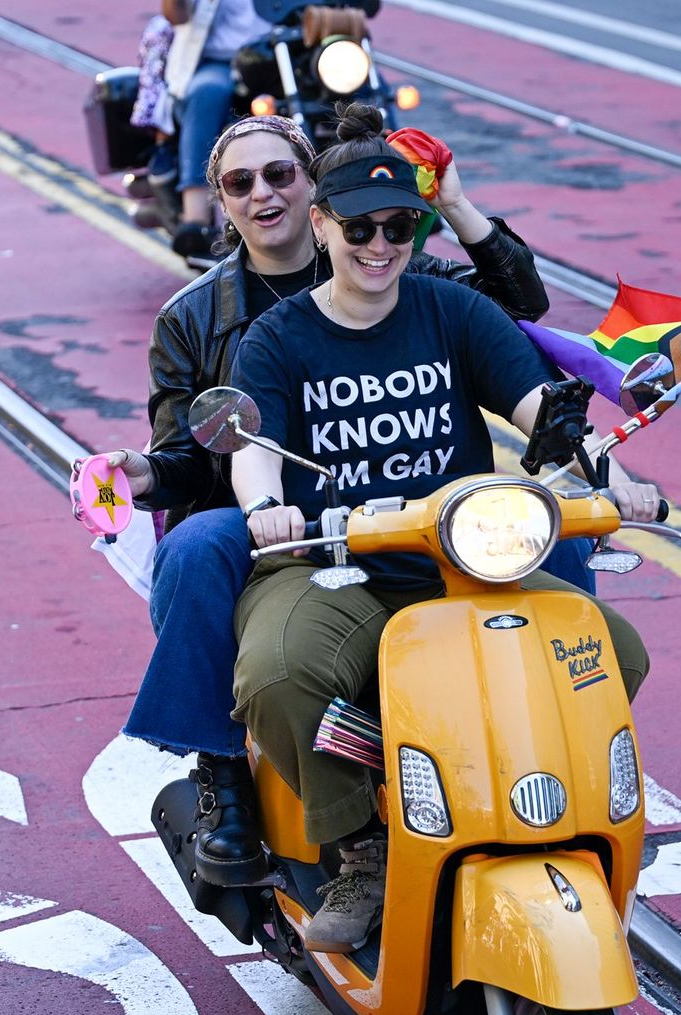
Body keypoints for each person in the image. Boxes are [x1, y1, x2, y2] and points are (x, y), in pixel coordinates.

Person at [101, 111, 579, 888]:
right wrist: (145, 471)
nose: (264, 193)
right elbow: (198, 454)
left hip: (417, 505)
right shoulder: (195, 317)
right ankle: (223, 778)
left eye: (281, 174)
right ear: (221, 203)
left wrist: (454, 206)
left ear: (314, 191)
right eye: (239, 182)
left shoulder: (398, 271)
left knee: (556, 532)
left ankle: (554, 748)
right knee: (193, 550)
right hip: (273, 511)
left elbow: (517, 308)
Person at [229, 102, 657, 953]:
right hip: (332, 566)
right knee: (278, 677)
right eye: (360, 227)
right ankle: (366, 844)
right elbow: (255, 448)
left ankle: (533, 811)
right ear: (320, 225)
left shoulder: (453, 312)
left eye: (401, 226)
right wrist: (263, 510)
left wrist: (622, 480)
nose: (381, 244)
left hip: (464, 565)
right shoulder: (276, 338)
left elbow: (547, 419)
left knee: (613, 652)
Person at [161, 0, 273, 257]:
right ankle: (196, 218)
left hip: (288, 55)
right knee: (207, 92)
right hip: (222, 61)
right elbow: (176, 14)